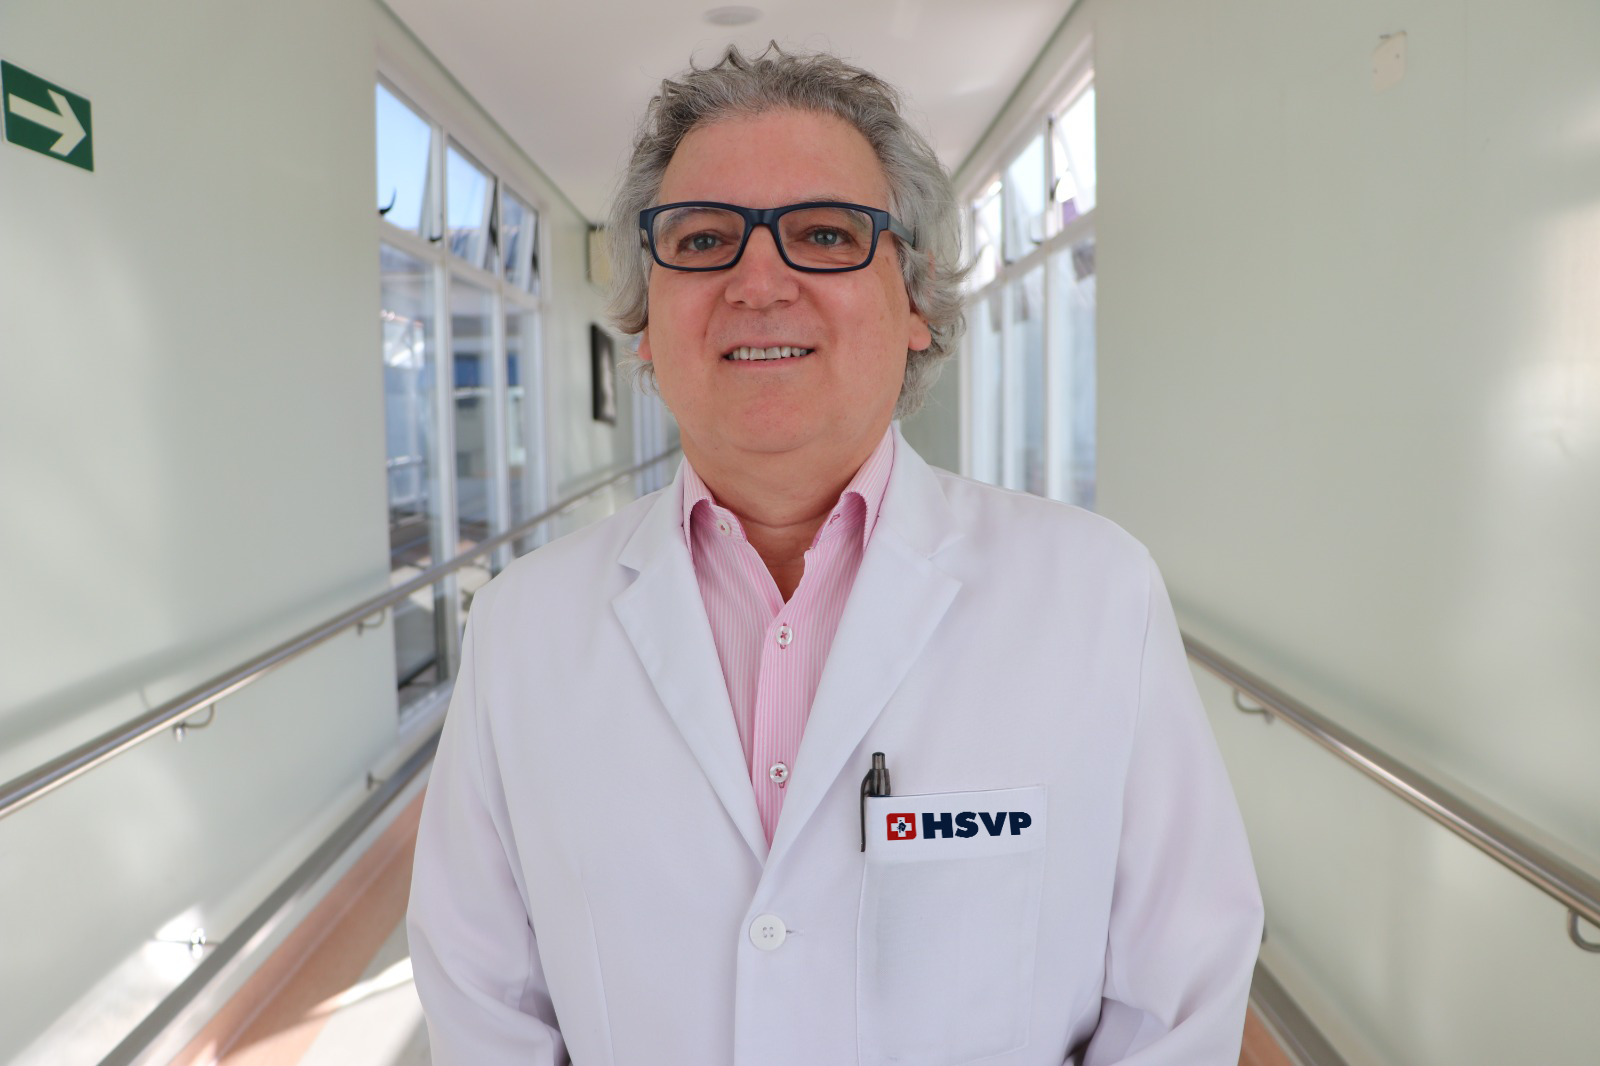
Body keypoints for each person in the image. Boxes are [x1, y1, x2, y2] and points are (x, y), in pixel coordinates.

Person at [407, 44, 1263, 1066]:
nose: (757, 280)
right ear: (643, 323)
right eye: (702, 238)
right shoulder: (523, 628)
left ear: (916, 303)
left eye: (824, 234)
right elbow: (482, 997)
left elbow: (1179, 993)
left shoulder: (1095, 596)